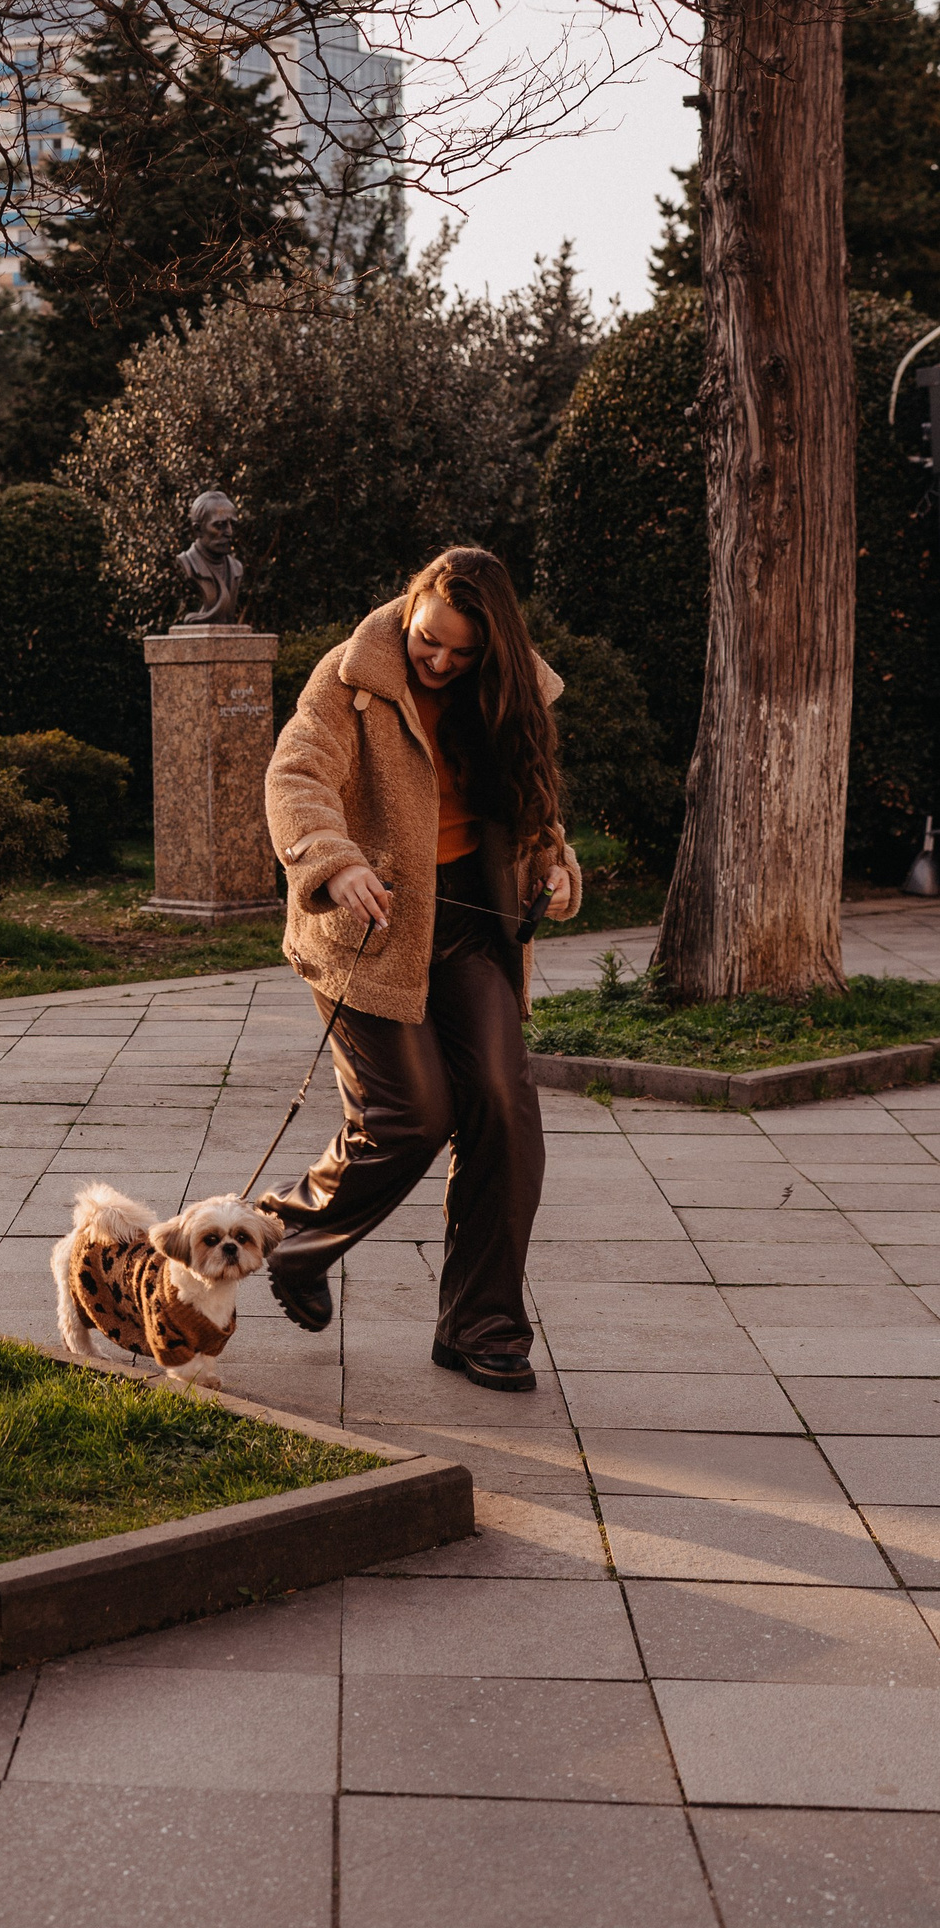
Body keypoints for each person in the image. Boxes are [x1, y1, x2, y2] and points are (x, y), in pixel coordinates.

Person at [259, 547, 580, 1391]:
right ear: (410, 608)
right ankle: (288, 1238)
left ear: (492, 649)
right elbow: (296, 773)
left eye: (460, 652)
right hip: (370, 926)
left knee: (504, 1110)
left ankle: (482, 1325)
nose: (437, 660)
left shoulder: (510, 693)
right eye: (428, 639)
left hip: (474, 923)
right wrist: (333, 862)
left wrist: (553, 866)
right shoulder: (351, 677)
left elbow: (534, 805)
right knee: (410, 1115)